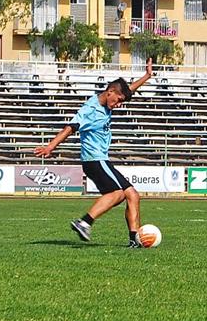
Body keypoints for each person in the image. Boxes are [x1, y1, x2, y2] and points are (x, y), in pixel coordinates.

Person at [34, 59, 154, 246]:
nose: (119, 105)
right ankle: (84, 222)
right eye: (118, 101)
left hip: (100, 159)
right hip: (94, 160)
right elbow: (71, 127)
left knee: (132, 194)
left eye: (121, 102)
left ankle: (134, 240)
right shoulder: (90, 109)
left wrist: (146, 76)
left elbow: (127, 90)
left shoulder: (107, 100)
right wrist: (51, 147)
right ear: (110, 92)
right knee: (118, 193)